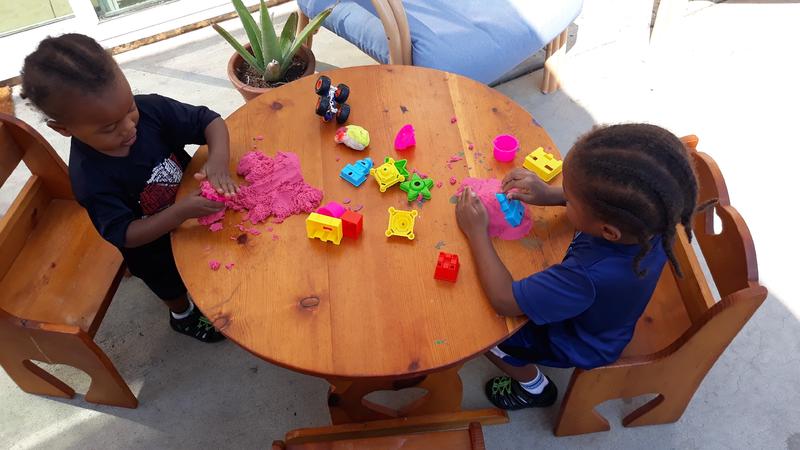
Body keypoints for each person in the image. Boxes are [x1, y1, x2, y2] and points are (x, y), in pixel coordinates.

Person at [456, 124, 708, 409]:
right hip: (605, 310)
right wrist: (552, 195)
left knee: (488, 335)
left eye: (571, 198)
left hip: (580, 341)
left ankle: (534, 388)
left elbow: (504, 301)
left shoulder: (586, 276)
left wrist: (477, 231)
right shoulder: (651, 220)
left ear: (608, 230)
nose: (565, 196)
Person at [20, 33, 238, 343]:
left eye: (129, 108)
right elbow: (125, 234)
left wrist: (217, 161)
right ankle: (182, 315)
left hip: (192, 215)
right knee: (168, 283)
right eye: (109, 127)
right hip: (150, 246)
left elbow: (209, 121)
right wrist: (179, 213)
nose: (128, 127)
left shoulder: (147, 111)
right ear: (64, 129)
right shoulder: (90, 178)